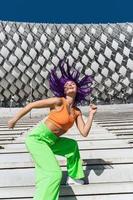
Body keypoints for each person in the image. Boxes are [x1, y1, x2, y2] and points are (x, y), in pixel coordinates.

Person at [8, 59, 97, 200]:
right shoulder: (58, 101)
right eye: (67, 84)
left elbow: (84, 133)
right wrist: (14, 119)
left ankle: (74, 177)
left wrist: (91, 115)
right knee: (54, 173)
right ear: (64, 90)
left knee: (72, 146)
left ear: (77, 89)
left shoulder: (76, 111)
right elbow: (31, 105)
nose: (69, 85)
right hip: (38, 139)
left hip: (52, 141)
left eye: (72, 84)